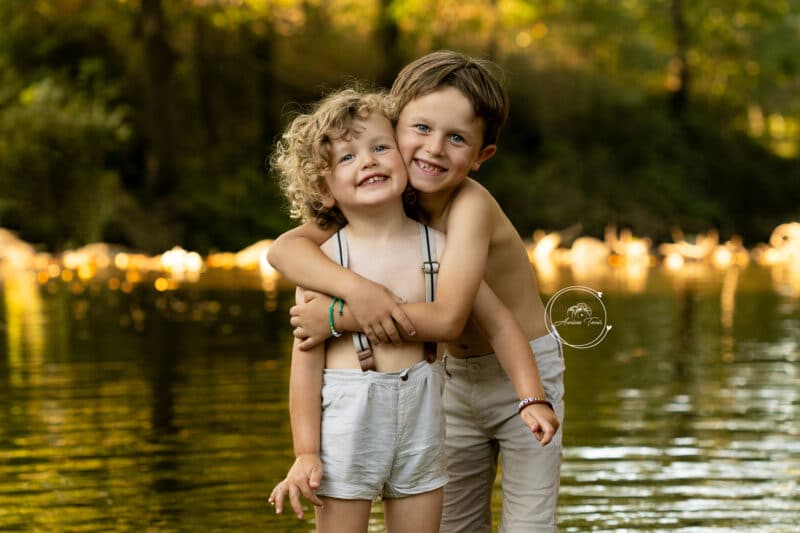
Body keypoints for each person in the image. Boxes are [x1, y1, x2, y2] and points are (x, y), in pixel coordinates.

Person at [268, 51, 565, 533]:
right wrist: (356, 292)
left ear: (480, 155)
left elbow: (450, 318)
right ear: (395, 126)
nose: (432, 149)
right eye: (420, 129)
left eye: (455, 138)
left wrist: (342, 316)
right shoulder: (381, 196)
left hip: (521, 373)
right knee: (455, 525)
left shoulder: (468, 207)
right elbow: (285, 251)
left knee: (529, 524)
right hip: (441, 380)